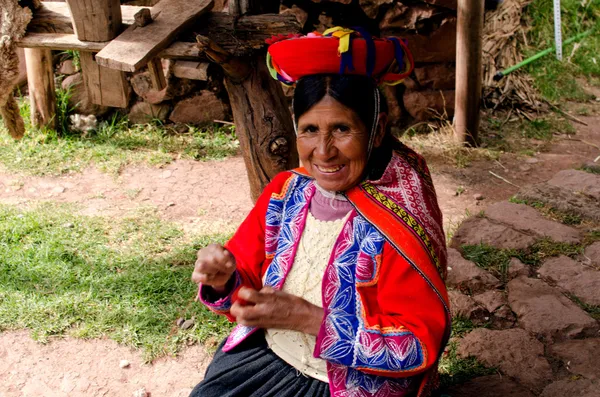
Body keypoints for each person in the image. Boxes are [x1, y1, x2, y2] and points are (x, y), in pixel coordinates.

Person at [190, 27, 451, 397]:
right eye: (310, 130)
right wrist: (222, 279)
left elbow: (416, 346)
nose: (324, 151)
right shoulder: (286, 192)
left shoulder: (395, 221)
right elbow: (244, 282)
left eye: (342, 129)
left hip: (350, 384)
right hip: (270, 356)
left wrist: (312, 321)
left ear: (376, 132)